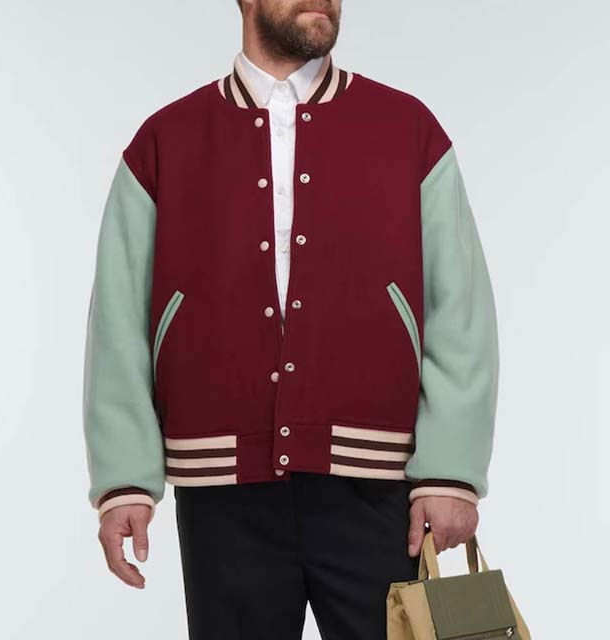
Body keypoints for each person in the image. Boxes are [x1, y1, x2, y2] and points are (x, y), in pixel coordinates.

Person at [82, 1, 499, 637]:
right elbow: (118, 318)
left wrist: (451, 473)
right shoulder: (166, 140)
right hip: (221, 487)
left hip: (378, 488)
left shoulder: (407, 129)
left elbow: (460, 308)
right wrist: (124, 481)